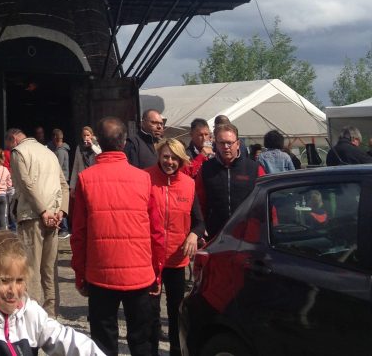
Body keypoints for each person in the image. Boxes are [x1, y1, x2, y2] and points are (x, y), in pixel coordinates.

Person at [70, 116, 163, 356]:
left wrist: (80, 273)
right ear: (124, 142)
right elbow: (156, 231)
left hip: (100, 273)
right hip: (139, 273)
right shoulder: (144, 179)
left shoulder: (85, 179)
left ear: (98, 141)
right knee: (142, 342)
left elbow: (78, 233)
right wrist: (157, 271)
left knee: (103, 343)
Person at [0, 229, 106, 355]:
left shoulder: (29, 312)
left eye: (19, 280)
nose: (13, 291)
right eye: (4, 281)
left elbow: (66, 339)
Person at [146, 138, 205, 356]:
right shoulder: (146, 178)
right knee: (150, 311)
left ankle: (175, 351)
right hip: (150, 258)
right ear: (159, 156)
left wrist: (194, 235)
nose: (169, 162)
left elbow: (199, 221)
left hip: (176, 258)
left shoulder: (188, 184)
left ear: (181, 160)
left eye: (174, 158)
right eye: (165, 156)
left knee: (175, 310)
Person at [5, 126, 69, 316]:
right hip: (54, 216)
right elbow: (64, 185)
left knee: (30, 269)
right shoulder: (49, 152)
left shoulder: (19, 152)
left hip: (32, 216)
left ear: (13, 140)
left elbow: (26, 185)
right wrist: (61, 211)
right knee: (50, 269)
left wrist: (43, 211)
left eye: (8, 145)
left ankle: (32, 315)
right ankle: (51, 314)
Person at [195, 122, 264, 239]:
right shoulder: (206, 169)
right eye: (222, 143)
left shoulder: (254, 168)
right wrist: (199, 227)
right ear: (216, 144)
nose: (226, 147)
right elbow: (199, 203)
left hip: (247, 234)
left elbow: (264, 201)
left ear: (237, 144)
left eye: (229, 143)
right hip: (215, 235)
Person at [52, 128, 71, 235]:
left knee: (60, 203)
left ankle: (64, 228)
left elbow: (56, 166)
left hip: (60, 180)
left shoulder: (60, 151)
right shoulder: (64, 150)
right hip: (63, 178)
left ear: (55, 137)